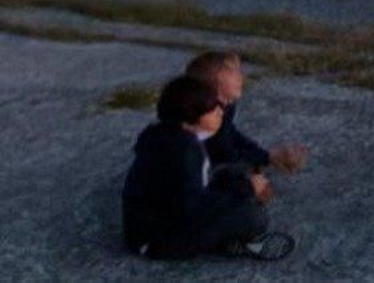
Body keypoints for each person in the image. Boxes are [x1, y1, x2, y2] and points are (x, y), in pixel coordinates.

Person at [122, 75, 293, 261]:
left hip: (151, 227)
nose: (220, 111)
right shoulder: (185, 151)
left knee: (235, 175)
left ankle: (225, 239)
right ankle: (226, 244)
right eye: (212, 109)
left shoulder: (167, 135)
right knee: (253, 217)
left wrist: (241, 183)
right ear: (191, 115)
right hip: (157, 241)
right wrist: (247, 188)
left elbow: (192, 188)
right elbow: (192, 208)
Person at [186, 51, 308, 176]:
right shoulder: (205, 117)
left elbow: (231, 135)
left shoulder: (226, 107)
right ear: (214, 81)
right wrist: (252, 174)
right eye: (233, 72)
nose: (241, 77)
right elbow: (223, 151)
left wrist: (266, 156)